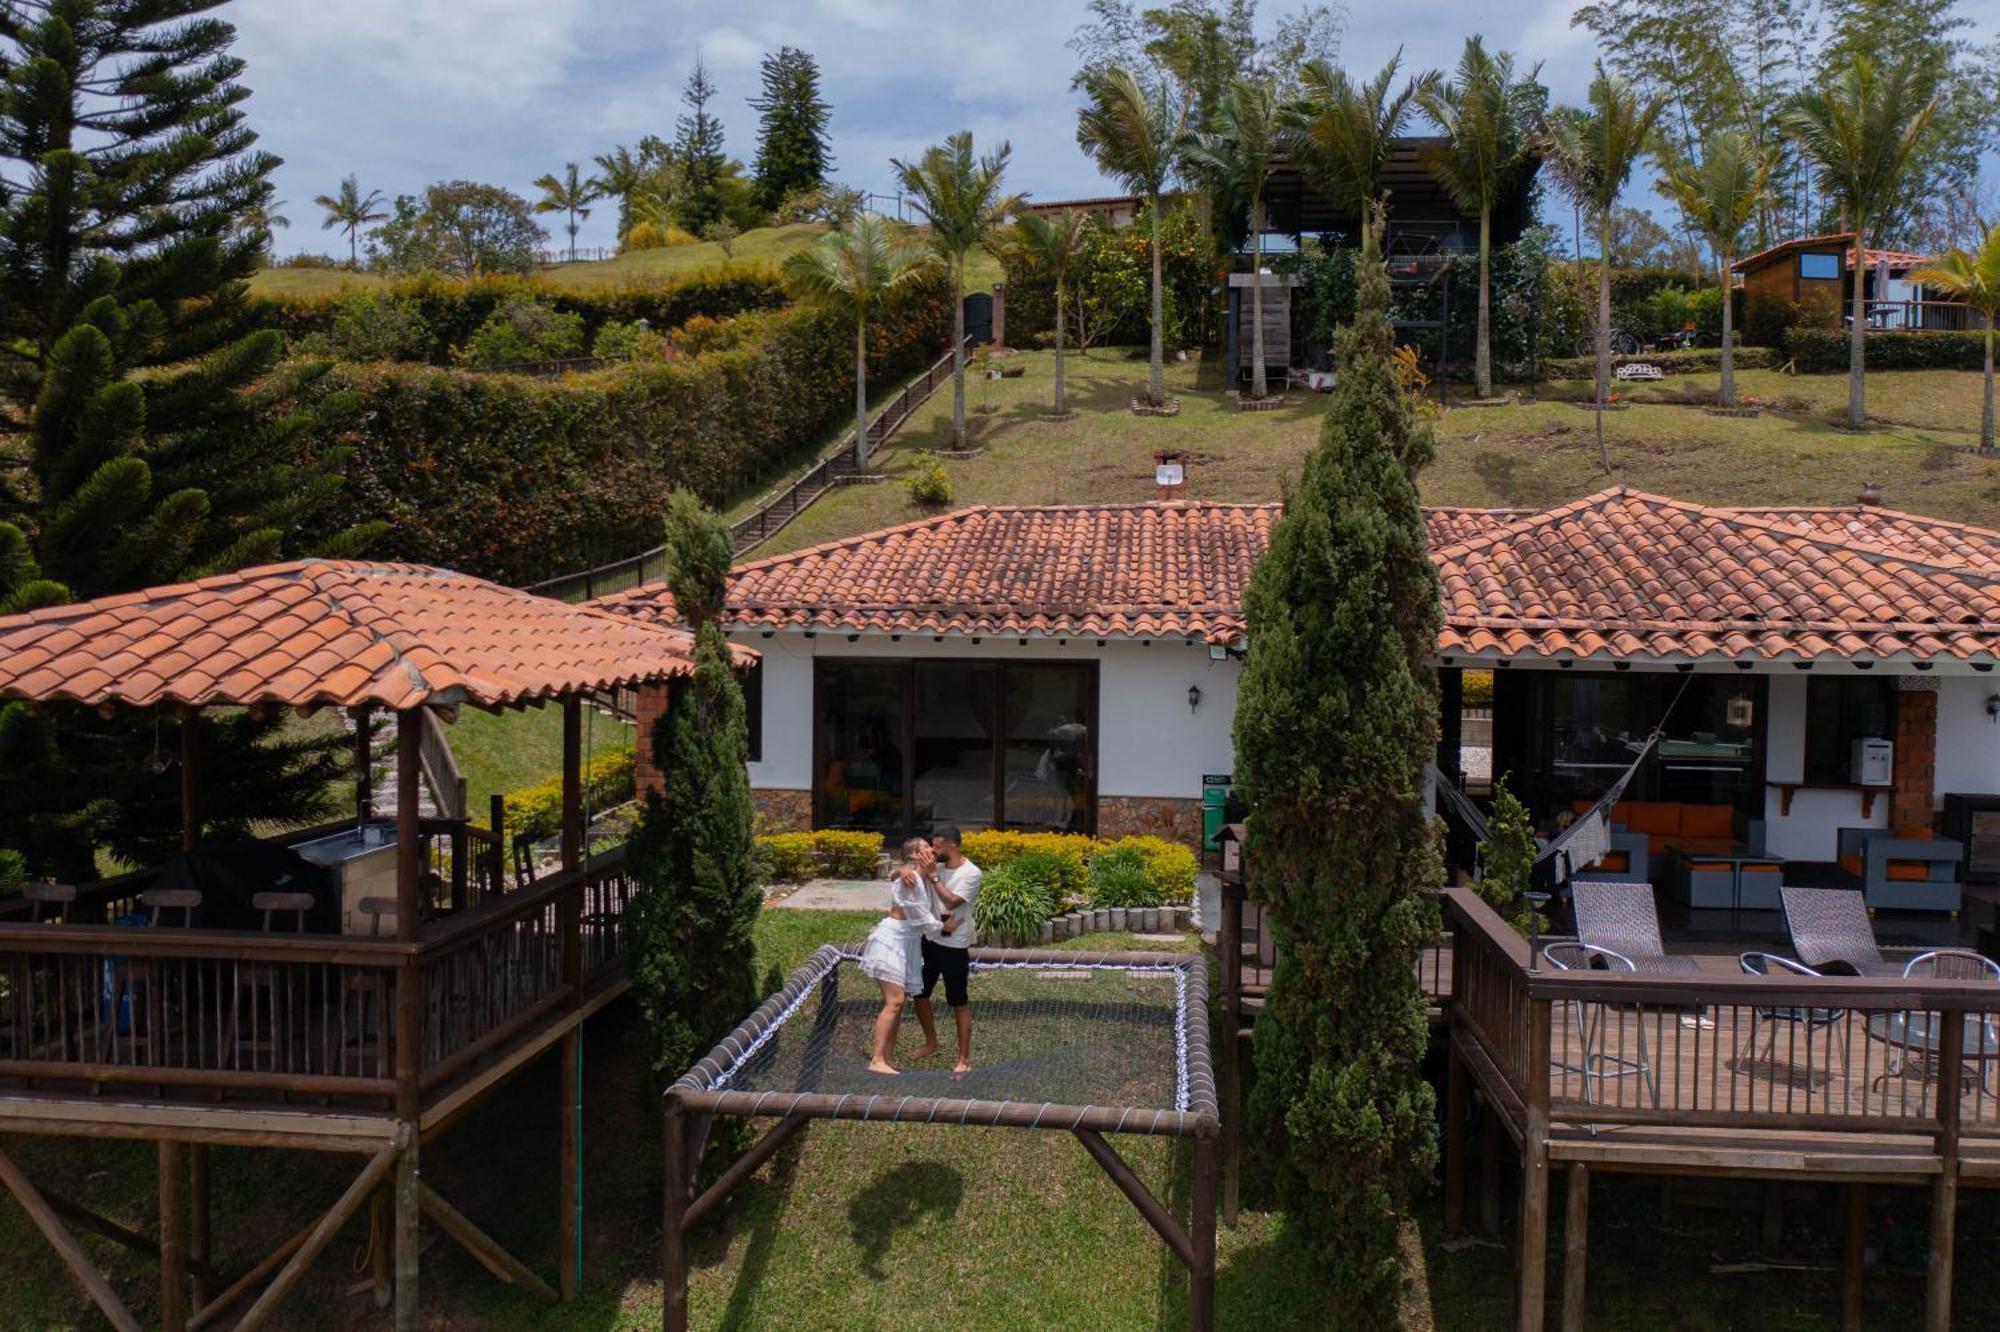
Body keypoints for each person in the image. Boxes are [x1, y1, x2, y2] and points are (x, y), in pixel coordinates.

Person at [856, 838, 938, 1075]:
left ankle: (887, 1056)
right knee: (895, 1001)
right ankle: (877, 1058)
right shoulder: (911, 878)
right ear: (914, 855)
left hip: (907, 943)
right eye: (926, 847)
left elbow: (896, 873)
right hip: (892, 941)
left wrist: (898, 870)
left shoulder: (920, 875)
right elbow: (919, 916)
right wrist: (944, 927)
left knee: (897, 1003)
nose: (932, 850)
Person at [913, 826, 982, 1073]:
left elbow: (951, 901)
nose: (933, 850)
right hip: (930, 940)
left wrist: (932, 875)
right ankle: (931, 1042)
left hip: (954, 945)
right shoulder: (936, 866)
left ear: (952, 846)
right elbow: (906, 878)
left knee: (958, 1002)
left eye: (938, 846)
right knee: (919, 993)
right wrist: (915, 866)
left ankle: (964, 1060)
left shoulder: (971, 873)